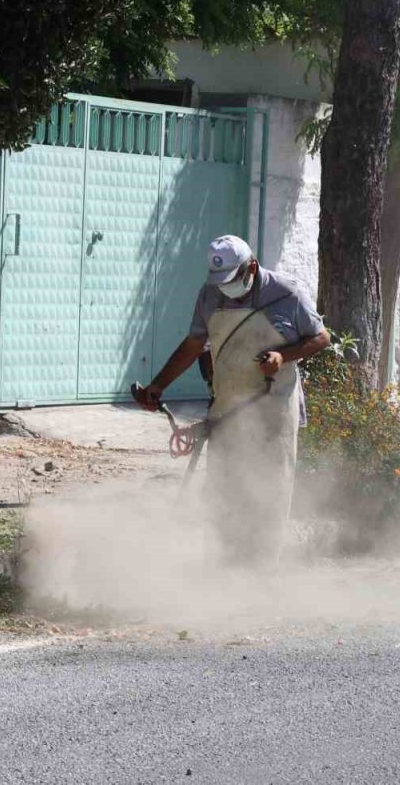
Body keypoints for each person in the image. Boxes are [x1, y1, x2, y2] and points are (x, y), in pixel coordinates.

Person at [137, 235, 330, 566]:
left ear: (251, 268)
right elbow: (194, 345)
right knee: (224, 488)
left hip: (274, 410)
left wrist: (283, 356)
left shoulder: (287, 294)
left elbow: (321, 338)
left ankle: (262, 568)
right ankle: (223, 566)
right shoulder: (209, 296)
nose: (226, 290)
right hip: (227, 407)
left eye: (231, 281)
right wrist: (158, 385)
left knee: (269, 490)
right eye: (220, 282)